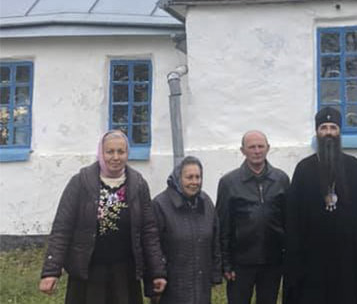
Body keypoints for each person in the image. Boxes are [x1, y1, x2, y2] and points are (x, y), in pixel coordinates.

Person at [39, 130, 166, 303]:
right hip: (88, 274)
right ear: (101, 153)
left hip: (125, 274)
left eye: (120, 152)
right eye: (110, 151)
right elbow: (62, 228)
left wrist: (157, 272)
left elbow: (148, 231)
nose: (115, 157)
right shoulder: (81, 182)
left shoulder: (138, 184)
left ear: (127, 154)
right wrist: (51, 271)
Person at [284, 107, 357, 304]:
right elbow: (293, 220)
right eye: (323, 128)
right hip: (312, 261)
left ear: (340, 132)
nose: (328, 132)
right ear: (317, 132)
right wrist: (294, 264)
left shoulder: (353, 167)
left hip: (348, 261)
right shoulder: (304, 169)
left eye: (333, 127)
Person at [216, 130, 290, 304]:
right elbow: (223, 225)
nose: (257, 151)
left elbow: (288, 221)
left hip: (272, 261)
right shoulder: (229, 182)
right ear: (243, 151)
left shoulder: (281, 180)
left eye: (260, 146)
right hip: (240, 263)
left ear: (268, 148)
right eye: (252, 147)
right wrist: (226, 264)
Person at [150, 156, 222, 303]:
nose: (194, 182)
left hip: (201, 283)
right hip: (172, 286)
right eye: (189, 177)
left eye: (198, 177)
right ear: (178, 178)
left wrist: (215, 274)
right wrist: (157, 275)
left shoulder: (206, 203)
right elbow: (152, 246)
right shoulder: (160, 205)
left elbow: (215, 241)